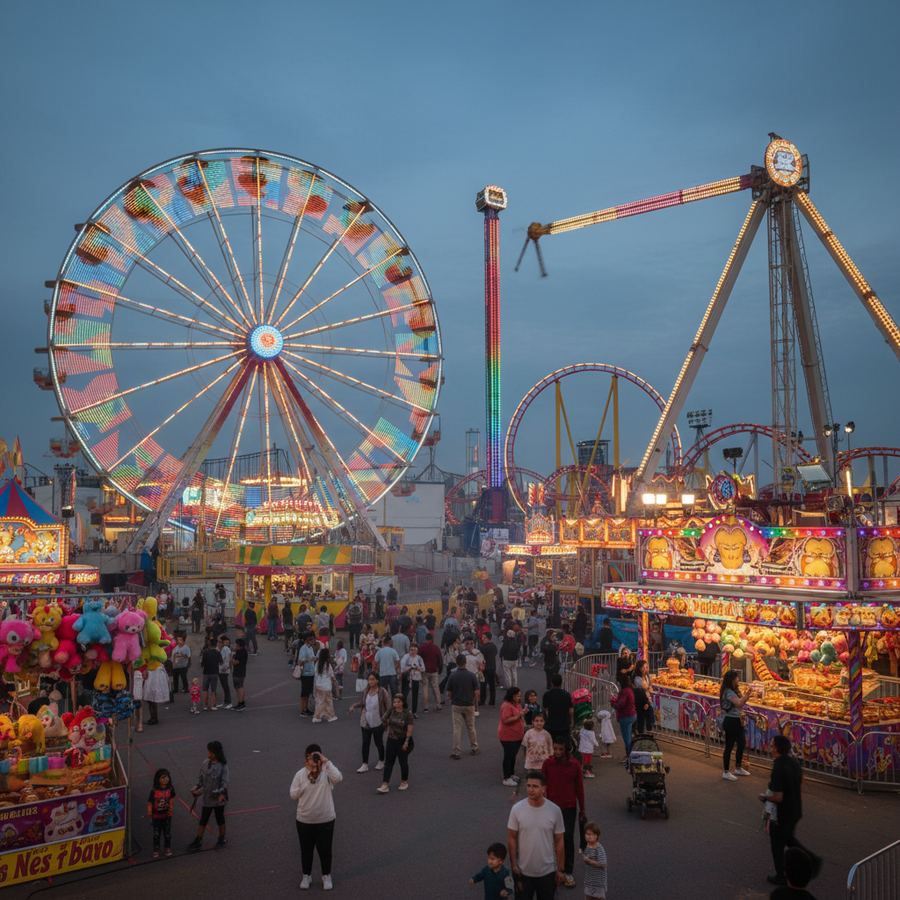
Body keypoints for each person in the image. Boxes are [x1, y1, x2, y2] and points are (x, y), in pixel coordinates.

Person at [759, 735, 821, 888]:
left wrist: (765, 797)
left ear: (777, 749)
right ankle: (813, 860)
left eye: (772, 746)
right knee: (788, 839)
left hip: (782, 813)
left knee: (777, 845)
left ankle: (781, 875)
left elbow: (778, 797)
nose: (770, 748)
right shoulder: (794, 763)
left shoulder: (778, 768)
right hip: (795, 810)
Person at [290, 742, 342, 891]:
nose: (313, 760)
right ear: (305, 759)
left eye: (316, 757)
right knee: (306, 850)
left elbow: (338, 778)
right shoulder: (300, 774)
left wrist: (327, 762)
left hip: (325, 819)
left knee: (325, 850)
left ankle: (326, 876)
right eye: (310, 758)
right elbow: (293, 794)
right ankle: (306, 875)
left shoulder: (327, 771)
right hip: (304, 820)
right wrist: (307, 780)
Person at [507, 770, 565, 900]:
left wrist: (560, 869)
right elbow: (511, 837)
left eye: (535, 786)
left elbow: (559, 840)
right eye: (528, 786)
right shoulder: (517, 809)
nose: (530, 790)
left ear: (544, 788)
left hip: (547, 873)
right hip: (523, 872)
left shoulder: (555, 810)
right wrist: (513, 865)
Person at [542, 738, 586, 889]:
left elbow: (579, 788)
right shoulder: (548, 763)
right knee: (550, 838)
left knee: (567, 838)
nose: (557, 752)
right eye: (555, 749)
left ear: (567, 750)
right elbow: (542, 784)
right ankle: (552, 869)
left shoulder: (574, 765)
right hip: (551, 806)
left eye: (560, 749)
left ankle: (568, 871)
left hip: (569, 807)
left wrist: (583, 810)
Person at [187, 741, 229, 851]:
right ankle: (198, 840)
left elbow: (225, 784)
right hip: (207, 799)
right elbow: (201, 780)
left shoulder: (223, 766)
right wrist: (196, 788)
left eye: (209, 751)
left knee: (220, 818)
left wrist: (219, 794)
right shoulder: (205, 763)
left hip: (218, 799)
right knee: (203, 819)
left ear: (214, 753)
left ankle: (221, 838)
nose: (208, 753)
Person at [349, 673, 389, 772]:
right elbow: (362, 702)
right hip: (366, 722)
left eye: (372, 679)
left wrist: (386, 719)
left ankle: (381, 761)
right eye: (369, 680)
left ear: (377, 680)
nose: (370, 681)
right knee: (365, 743)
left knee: (378, 742)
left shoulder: (382, 692)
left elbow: (388, 707)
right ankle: (364, 764)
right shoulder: (366, 691)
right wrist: (353, 706)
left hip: (378, 722)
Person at [377, 692, 414, 793]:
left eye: (398, 702)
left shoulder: (407, 713)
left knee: (403, 762)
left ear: (402, 703)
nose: (395, 704)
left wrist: (406, 742)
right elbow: (383, 718)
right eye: (394, 702)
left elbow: (410, 729)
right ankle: (385, 784)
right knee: (389, 762)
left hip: (402, 740)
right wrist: (388, 722)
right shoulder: (391, 710)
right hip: (391, 739)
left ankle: (404, 781)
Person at [720, 670, 752, 781]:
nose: (738, 680)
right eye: (737, 678)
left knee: (741, 743)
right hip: (731, 721)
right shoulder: (728, 692)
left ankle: (738, 767)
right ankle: (726, 771)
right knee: (729, 746)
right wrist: (748, 694)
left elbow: (741, 703)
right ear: (732, 680)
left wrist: (746, 695)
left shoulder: (734, 690)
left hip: (738, 720)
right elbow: (739, 703)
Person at [447, 652, 480, 759]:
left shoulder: (453, 675)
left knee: (457, 728)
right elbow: (477, 692)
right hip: (469, 704)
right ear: (465, 662)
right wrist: (475, 704)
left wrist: (452, 699)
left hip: (456, 704)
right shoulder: (471, 675)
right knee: (471, 727)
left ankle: (456, 751)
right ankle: (474, 747)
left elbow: (449, 693)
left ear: (457, 663)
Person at [498, 687, 526, 787]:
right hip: (508, 736)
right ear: (513, 696)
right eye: (518, 695)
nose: (519, 697)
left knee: (513, 756)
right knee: (508, 756)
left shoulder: (517, 704)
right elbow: (506, 720)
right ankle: (506, 777)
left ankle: (511, 774)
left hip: (517, 736)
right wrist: (519, 715)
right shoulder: (506, 706)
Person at [147, 768, 176, 858]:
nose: (165, 779)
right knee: (156, 834)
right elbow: (150, 802)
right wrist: (149, 812)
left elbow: (172, 799)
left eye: (167, 777)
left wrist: (171, 809)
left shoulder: (170, 789)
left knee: (167, 833)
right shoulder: (154, 791)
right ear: (158, 779)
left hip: (167, 816)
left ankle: (167, 848)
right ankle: (156, 849)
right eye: (163, 778)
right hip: (156, 816)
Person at [542, 673, 574, 746]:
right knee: (563, 745)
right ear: (561, 683)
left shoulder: (547, 694)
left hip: (551, 725)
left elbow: (546, 711)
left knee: (550, 745)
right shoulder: (567, 694)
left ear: (552, 683)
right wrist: (571, 721)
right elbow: (571, 710)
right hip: (564, 725)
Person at [581, 821, 608, 900]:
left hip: (598, 882)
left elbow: (603, 864)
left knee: (599, 898)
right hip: (589, 880)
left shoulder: (599, 848)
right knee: (588, 897)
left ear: (596, 836)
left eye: (591, 834)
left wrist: (589, 861)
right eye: (587, 834)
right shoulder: (587, 846)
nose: (588, 836)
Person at [612, 675, 637, 758]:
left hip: (625, 716)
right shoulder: (630, 690)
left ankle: (629, 755)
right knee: (629, 735)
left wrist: (614, 704)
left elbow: (621, 704)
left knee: (626, 738)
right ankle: (630, 754)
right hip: (631, 714)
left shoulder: (625, 691)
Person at [312, 648, 338, 724]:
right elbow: (332, 676)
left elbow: (315, 674)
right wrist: (335, 684)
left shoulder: (317, 664)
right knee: (328, 702)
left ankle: (317, 717)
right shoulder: (328, 665)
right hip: (326, 686)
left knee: (319, 702)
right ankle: (330, 716)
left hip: (318, 685)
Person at [418, 633, 443, 711]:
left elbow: (418, 658)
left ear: (426, 639)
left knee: (425, 688)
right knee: (436, 687)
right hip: (434, 670)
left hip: (424, 671)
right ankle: (438, 704)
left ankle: (426, 707)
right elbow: (440, 659)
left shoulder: (422, 648)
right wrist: (440, 669)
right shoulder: (435, 648)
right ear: (432, 639)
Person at [400, 643, 426, 714]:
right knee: (404, 694)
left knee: (415, 695)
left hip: (416, 678)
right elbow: (402, 668)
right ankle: (404, 709)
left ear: (417, 651)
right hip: (407, 677)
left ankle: (414, 712)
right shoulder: (406, 657)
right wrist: (409, 668)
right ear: (409, 650)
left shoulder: (419, 658)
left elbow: (423, 668)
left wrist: (418, 668)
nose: (413, 652)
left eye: (415, 650)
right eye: (411, 650)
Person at [297, 633, 319, 718]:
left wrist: (315, 658)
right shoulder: (303, 648)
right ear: (308, 640)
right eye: (312, 639)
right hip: (306, 673)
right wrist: (310, 659)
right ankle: (302, 710)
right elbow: (300, 661)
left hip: (311, 673)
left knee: (307, 693)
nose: (314, 641)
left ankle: (306, 708)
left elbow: (312, 658)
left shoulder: (310, 648)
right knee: (304, 693)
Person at [200, 638, 222, 711]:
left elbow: (202, 664)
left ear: (209, 644)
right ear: (216, 644)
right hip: (214, 673)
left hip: (206, 673)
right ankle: (213, 705)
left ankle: (205, 706)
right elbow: (221, 662)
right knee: (213, 690)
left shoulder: (205, 652)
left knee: (205, 690)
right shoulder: (218, 652)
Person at [633, 659, 653, 733]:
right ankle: (640, 733)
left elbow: (650, 687)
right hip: (641, 701)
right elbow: (645, 687)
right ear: (639, 668)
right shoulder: (637, 678)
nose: (645, 669)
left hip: (648, 700)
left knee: (649, 718)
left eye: (646, 667)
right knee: (641, 718)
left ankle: (648, 732)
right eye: (643, 667)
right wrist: (648, 687)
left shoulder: (647, 676)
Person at [480, 632, 498, 707]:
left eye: (484, 637)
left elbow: (481, 655)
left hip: (485, 668)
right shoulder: (494, 646)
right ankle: (492, 701)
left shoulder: (484, 647)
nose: (482, 639)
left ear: (488, 638)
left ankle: (482, 700)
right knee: (492, 685)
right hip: (492, 667)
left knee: (483, 685)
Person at [232, 637, 248, 710]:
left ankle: (241, 704)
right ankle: (240, 702)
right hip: (241, 672)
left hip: (238, 672)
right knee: (239, 687)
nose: (235, 645)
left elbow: (236, 662)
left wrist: (231, 658)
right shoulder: (243, 651)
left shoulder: (240, 652)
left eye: (236, 644)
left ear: (239, 645)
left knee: (239, 687)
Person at [217, 636, 233, 710]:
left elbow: (230, 659)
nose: (218, 643)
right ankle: (225, 701)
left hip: (225, 670)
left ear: (223, 643)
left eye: (220, 642)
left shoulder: (226, 649)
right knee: (224, 686)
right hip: (219, 670)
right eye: (218, 642)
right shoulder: (217, 649)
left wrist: (228, 668)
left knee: (226, 686)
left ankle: (229, 702)